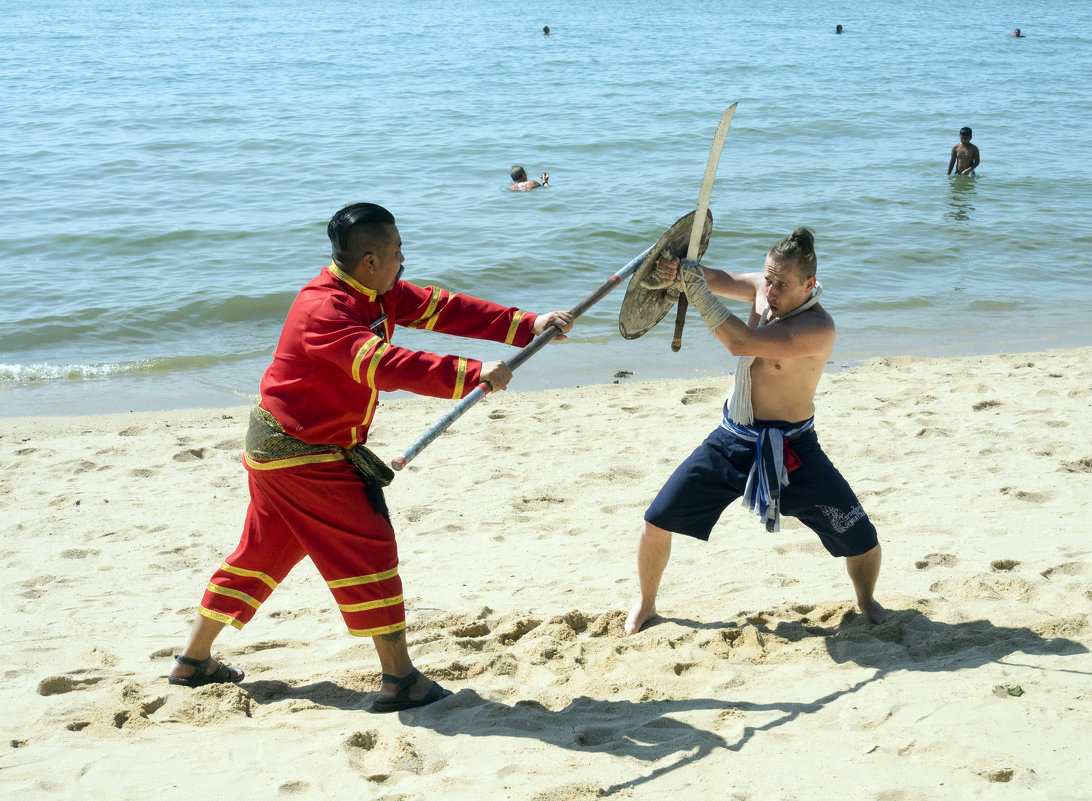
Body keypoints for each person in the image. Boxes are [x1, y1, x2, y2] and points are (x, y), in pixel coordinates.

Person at [167, 202, 574, 712]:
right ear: (369, 262)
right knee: (371, 546)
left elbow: (442, 307)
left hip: (281, 446)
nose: (404, 261)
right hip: (304, 453)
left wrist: (528, 323)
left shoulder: (374, 291)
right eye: (397, 254)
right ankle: (401, 680)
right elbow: (383, 365)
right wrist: (472, 374)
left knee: (262, 553)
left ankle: (192, 660)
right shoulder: (325, 308)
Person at [624, 228, 885, 636]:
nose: (771, 289)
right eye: (768, 278)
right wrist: (683, 270)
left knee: (859, 534)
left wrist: (696, 292)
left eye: (782, 283)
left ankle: (866, 601)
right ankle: (646, 603)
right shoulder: (763, 290)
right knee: (657, 519)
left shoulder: (818, 328)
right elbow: (717, 278)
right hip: (733, 438)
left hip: (793, 447)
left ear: (809, 285)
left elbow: (743, 342)